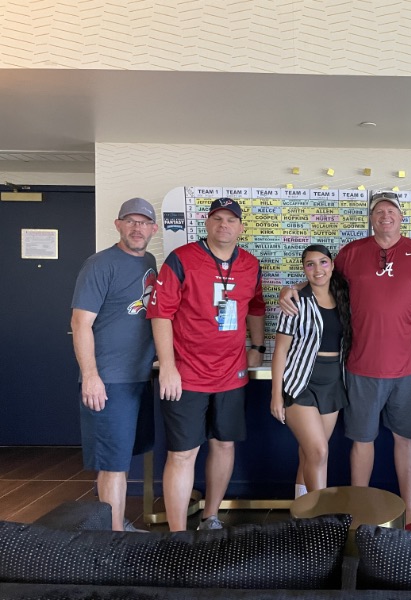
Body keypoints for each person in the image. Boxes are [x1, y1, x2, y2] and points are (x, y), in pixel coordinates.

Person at [280, 191, 411, 532]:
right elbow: (321, 277)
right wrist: (292, 289)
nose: (385, 216)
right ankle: (359, 516)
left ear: (401, 217)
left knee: (405, 441)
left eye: (391, 211)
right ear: (371, 218)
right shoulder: (351, 252)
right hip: (361, 368)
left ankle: (410, 515)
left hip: (408, 371)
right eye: (379, 211)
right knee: (363, 442)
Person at [147, 197, 266, 532]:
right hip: (186, 374)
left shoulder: (250, 264)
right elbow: (160, 313)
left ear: (241, 227)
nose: (224, 225)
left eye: (231, 220)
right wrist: (167, 366)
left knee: (224, 444)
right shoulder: (182, 259)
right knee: (183, 453)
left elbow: (256, 306)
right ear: (207, 223)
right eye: (217, 219)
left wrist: (257, 346)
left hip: (231, 374)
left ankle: (210, 517)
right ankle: (177, 533)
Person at [70, 197, 159, 532]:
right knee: (112, 464)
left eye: (144, 222)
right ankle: (113, 539)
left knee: (122, 459)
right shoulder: (99, 264)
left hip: (139, 377)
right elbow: (80, 323)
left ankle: (115, 526)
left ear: (153, 229)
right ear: (118, 225)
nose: (137, 228)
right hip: (109, 381)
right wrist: (91, 376)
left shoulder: (149, 261)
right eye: (130, 221)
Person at [270, 244, 352, 492]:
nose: (318, 269)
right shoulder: (294, 300)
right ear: (304, 269)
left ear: (332, 265)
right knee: (319, 452)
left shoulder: (344, 297)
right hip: (300, 383)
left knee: (310, 453)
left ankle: (302, 508)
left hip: (333, 383)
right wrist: (276, 395)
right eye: (310, 264)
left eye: (323, 262)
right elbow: (280, 350)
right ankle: (320, 512)